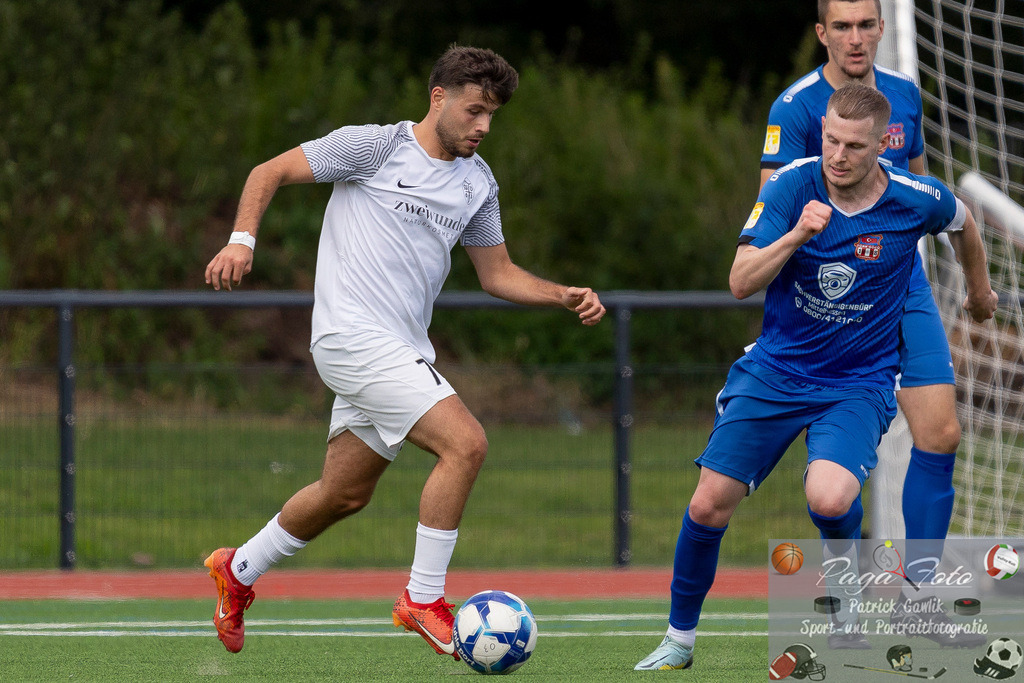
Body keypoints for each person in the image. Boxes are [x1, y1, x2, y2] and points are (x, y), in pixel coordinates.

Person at [202, 44, 606, 657]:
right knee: (465, 443)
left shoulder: (478, 184)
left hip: (402, 349)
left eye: (492, 116)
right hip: (350, 337)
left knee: (344, 493)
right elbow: (270, 171)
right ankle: (422, 598)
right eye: (474, 111)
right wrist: (241, 240)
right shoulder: (374, 147)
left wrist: (561, 295)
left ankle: (238, 570)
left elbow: (497, 274)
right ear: (437, 97)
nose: (483, 127)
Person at [634, 84, 997, 671]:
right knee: (707, 506)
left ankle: (846, 586)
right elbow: (740, 280)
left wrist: (978, 294)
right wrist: (800, 233)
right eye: (831, 139)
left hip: (857, 384)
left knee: (829, 499)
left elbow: (964, 224)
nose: (838, 155)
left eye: (854, 145)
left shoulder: (914, 198)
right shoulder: (791, 185)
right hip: (774, 372)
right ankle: (679, 640)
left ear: (884, 144)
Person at [759, 0, 983, 647]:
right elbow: (772, 212)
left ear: (882, 28)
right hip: (826, 300)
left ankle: (917, 598)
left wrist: (969, 283)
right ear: (822, 32)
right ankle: (845, 577)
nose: (856, 38)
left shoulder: (904, 98)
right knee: (827, 483)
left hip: (901, 284)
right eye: (844, 26)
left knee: (939, 432)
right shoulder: (795, 108)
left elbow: (917, 193)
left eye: (866, 24)